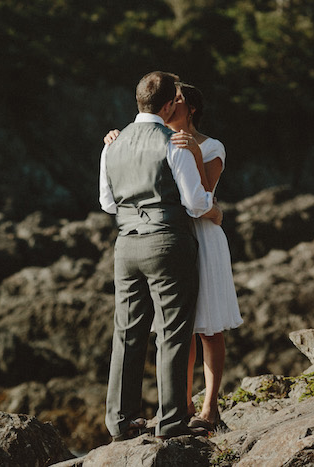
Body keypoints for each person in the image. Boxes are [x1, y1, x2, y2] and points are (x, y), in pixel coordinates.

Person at [103, 81, 243, 432]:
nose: (177, 103)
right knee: (176, 332)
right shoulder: (164, 143)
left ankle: (198, 408)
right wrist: (216, 212)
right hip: (171, 240)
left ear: (188, 107)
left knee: (183, 329)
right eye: (174, 98)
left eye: (183, 98)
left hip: (157, 239)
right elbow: (199, 203)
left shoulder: (198, 146)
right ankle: (176, 414)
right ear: (167, 106)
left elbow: (108, 203)